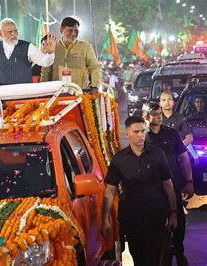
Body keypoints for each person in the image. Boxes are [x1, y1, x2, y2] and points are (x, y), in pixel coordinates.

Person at [101, 116, 178, 266]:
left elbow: (168, 185)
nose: (140, 135)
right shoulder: (119, 159)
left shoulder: (158, 154)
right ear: (127, 134)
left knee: (153, 257)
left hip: (155, 215)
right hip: (131, 217)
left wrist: (173, 213)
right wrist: (105, 218)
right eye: (136, 132)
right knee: (138, 256)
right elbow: (110, 191)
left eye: (143, 131)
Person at [144, 102, 193, 265]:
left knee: (177, 219)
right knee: (155, 224)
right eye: (154, 114)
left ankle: (179, 252)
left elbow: (183, 158)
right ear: (146, 116)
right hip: (152, 191)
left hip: (174, 186)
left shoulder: (172, 134)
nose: (159, 116)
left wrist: (189, 181)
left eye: (159, 113)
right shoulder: (142, 138)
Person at [0, 18, 56, 92]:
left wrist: (50, 53)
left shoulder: (28, 47)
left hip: (24, 95)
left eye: (15, 31)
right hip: (1, 96)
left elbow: (44, 62)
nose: (14, 34)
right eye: (10, 32)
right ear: (0, 34)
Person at [41, 17, 101, 91]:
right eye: (69, 30)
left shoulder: (86, 48)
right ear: (61, 30)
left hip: (79, 92)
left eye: (76, 31)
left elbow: (95, 67)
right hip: (56, 94)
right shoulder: (53, 47)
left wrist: (95, 86)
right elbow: (46, 70)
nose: (73, 34)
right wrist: (44, 90)